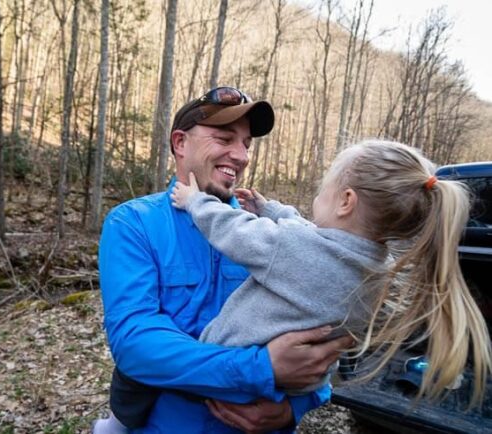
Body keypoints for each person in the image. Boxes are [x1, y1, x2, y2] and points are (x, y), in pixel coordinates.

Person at [96, 87, 352, 434]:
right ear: (180, 143)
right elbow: (136, 344)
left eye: (246, 143)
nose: (242, 155)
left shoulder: (270, 234)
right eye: (224, 138)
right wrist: (261, 368)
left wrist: (295, 405)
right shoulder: (133, 223)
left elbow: (325, 322)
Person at [169, 141, 492, 407]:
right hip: (286, 393)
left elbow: (236, 229)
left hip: (230, 370)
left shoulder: (294, 250)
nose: (318, 194)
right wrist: (272, 209)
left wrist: (196, 201)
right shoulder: (376, 271)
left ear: (346, 201)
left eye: (325, 185)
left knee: (145, 387)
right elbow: (316, 239)